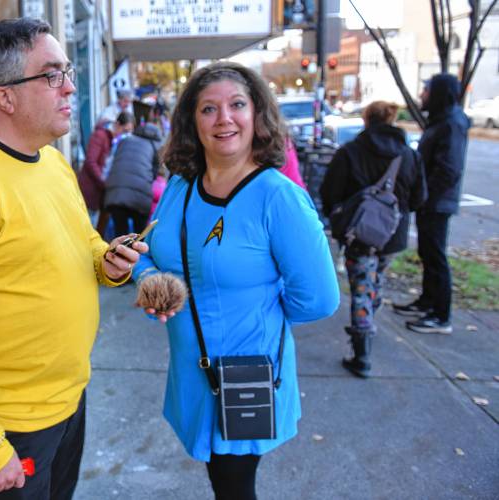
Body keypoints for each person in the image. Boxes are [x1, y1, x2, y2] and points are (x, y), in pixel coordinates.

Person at [0, 18, 146, 499]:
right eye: (52, 74)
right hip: (10, 423)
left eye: (67, 72)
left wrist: (108, 262)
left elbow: (84, 245)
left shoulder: (54, 162)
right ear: (5, 96)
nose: (70, 86)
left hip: (67, 399)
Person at [132, 62, 339, 500]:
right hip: (192, 371)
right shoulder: (180, 186)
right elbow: (151, 251)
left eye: (237, 105)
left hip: (246, 379)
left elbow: (318, 299)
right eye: (208, 108)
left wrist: (254, 312)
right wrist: (149, 280)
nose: (224, 118)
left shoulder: (278, 197)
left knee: (234, 487)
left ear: (257, 114)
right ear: (192, 121)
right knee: (220, 480)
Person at [320, 101, 427, 377]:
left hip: (360, 235)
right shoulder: (408, 154)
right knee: (374, 282)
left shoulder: (351, 152)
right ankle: (366, 330)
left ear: (366, 119)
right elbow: (419, 197)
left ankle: (362, 353)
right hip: (392, 235)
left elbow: (330, 192)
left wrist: (341, 217)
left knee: (361, 288)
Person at [393, 74, 470, 334]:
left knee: (435, 255)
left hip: (437, 203)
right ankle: (427, 302)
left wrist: (426, 195)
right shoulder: (441, 120)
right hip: (430, 202)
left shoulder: (452, 123)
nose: (422, 95)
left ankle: (440, 315)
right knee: (427, 253)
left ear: (439, 93)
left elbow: (449, 168)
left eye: (426, 90)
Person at [104, 120, 163, 235]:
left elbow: (114, 162)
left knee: (120, 236)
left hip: (116, 193)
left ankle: (120, 252)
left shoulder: (125, 140)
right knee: (140, 237)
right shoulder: (154, 146)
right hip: (139, 196)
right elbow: (154, 173)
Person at [77, 111, 134, 227]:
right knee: (87, 228)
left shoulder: (114, 140)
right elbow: (91, 162)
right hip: (90, 192)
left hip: (100, 195)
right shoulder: (100, 135)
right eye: (125, 131)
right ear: (117, 124)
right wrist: (104, 182)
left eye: (129, 132)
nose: (126, 135)